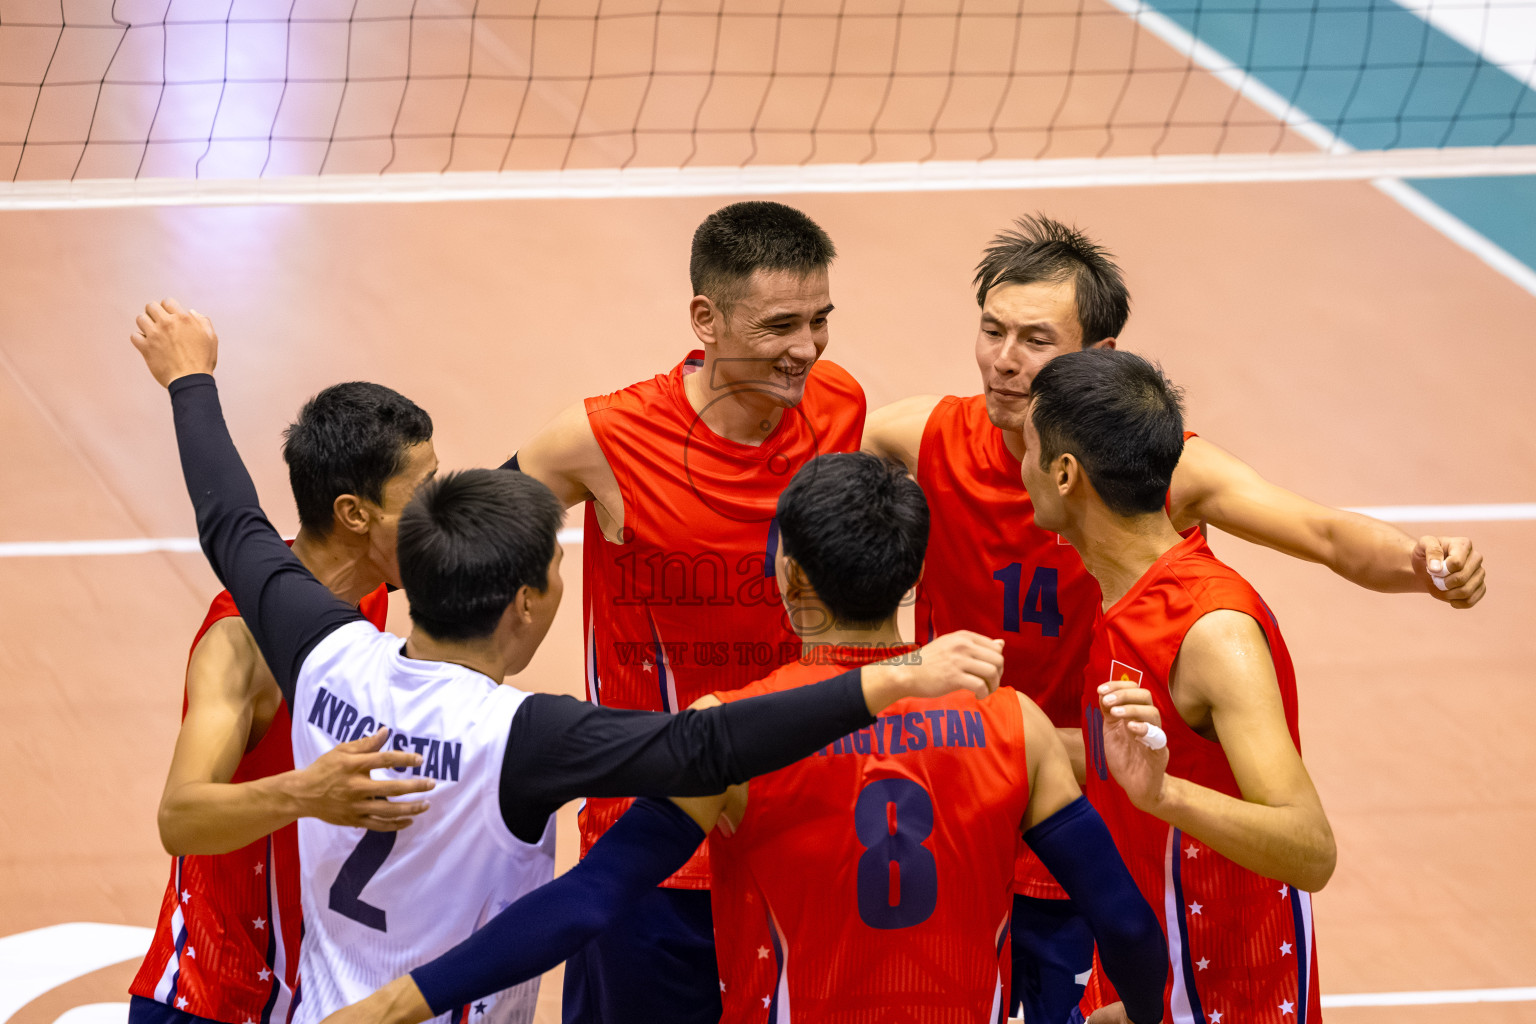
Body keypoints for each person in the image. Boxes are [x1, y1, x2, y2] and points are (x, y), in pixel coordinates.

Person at [128, 298, 1004, 1024]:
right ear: (525, 603)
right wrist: (892, 677)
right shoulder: (521, 736)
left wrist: (189, 381)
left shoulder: (328, 654)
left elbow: (230, 524)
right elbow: (706, 747)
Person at [861, 214, 1483, 1022]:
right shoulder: (915, 438)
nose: (1005, 361)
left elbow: (1325, 533)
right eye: (992, 331)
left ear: (1100, 357)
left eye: (1036, 340)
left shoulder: (1157, 486)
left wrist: (1422, 566)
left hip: (1101, 818)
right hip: (972, 814)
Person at [307, 454, 1167, 1024]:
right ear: (912, 574)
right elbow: (1125, 917)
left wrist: (393, 1006)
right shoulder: (1017, 725)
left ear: (790, 575)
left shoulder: (727, 739)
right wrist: (1137, 1008)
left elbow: (589, 901)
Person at [510, 200, 864, 1023]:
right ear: (706, 319)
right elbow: (466, 545)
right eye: (780, 325)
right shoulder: (604, 437)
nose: (806, 348)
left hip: (792, 835)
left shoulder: (838, 403)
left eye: (819, 320)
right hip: (653, 849)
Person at [1022, 348, 1334, 1024]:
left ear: (1065, 474)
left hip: (1225, 993)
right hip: (1149, 980)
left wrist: (1165, 795)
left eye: (1028, 450)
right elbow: (1124, 772)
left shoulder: (1209, 631)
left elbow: (1310, 849)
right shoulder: (1120, 599)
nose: (1021, 469)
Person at [128, 371, 441, 1024]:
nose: (438, 515)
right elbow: (179, 818)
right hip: (210, 998)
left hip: (314, 993)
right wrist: (307, 793)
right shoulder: (239, 643)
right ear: (354, 514)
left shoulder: (369, 590)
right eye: (422, 494)